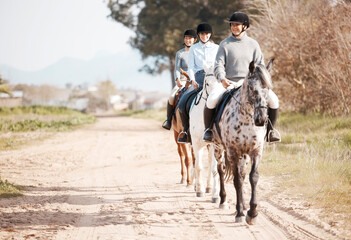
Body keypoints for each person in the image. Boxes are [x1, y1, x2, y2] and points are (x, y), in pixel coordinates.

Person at [203, 12, 281, 143]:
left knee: (274, 100)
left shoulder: (253, 44)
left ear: (245, 26)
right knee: (211, 100)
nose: (234, 27)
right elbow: (218, 64)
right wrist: (222, 78)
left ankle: (270, 131)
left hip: (251, 83)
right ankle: (209, 131)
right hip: (230, 82)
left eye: (237, 25)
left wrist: (259, 80)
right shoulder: (224, 44)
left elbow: (260, 65)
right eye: (232, 25)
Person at [177, 22, 219, 143]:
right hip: (199, 77)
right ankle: (186, 132)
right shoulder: (194, 48)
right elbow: (191, 66)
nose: (204, 36)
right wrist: (193, 79)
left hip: (213, 78)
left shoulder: (217, 48)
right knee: (182, 102)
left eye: (206, 34)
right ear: (198, 35)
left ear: (210, 34)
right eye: (201, 34)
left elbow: (220, 65)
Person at [162, 29, 197, 130]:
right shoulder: (180, 53)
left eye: (190, 38)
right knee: (172, 96)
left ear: (194, 40)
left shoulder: (198, 52)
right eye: (186, 38)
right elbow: (177, 68)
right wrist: (177, 79)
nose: (187, 40)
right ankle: (168, 121)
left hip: (195, 80)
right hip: (183, 81)